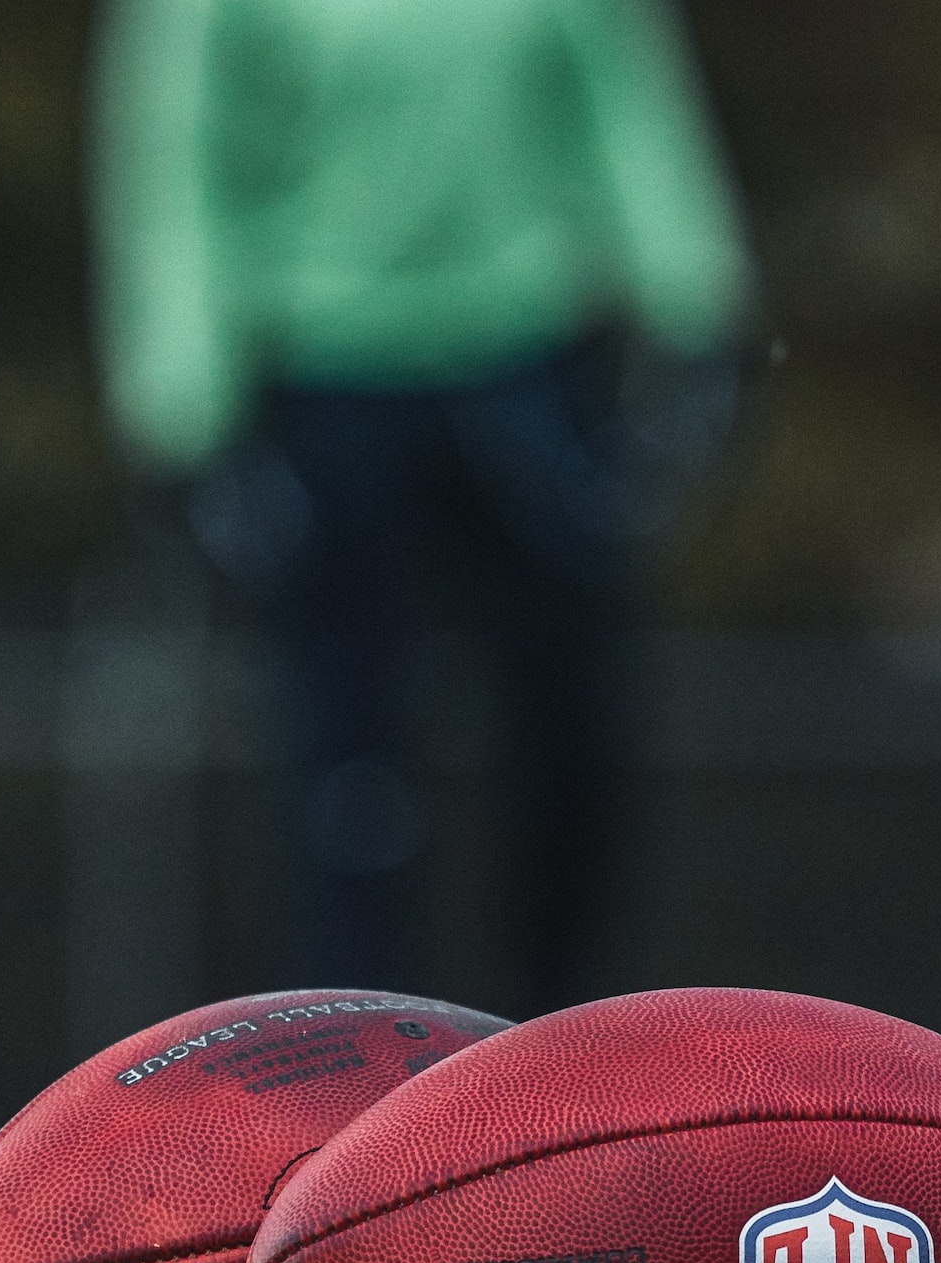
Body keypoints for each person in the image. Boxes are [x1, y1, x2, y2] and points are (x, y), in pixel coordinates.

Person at [90, 0, 752, 1010]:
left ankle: (572, 1060)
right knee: (347, 773)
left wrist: (699, 307)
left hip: (531, 369)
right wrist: (182, 411)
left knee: (572, 739)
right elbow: (176, 162)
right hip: (326, 381)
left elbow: (629, 105)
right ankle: (351, 1085)